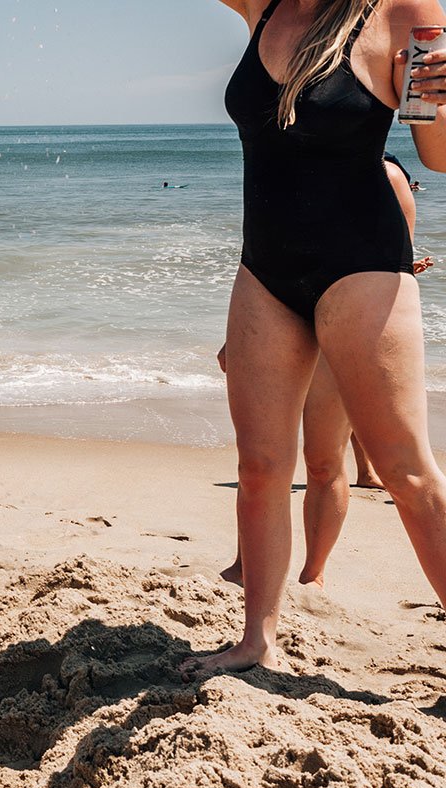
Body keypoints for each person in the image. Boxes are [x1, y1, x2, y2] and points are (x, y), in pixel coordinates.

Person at [184, 0, 446, 677]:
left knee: (406, 471)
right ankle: (255, 641)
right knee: (261, 468)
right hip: (264, 270)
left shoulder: (403, 11)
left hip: (360, 268)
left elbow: (436, 154)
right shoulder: (260, 6)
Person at [217, 155, 432, 587]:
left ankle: (312, 577)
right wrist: (237, 338)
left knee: (322, 460)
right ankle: (245, 568)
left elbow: (396, 268)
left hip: (348, 324)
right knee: (261, 462)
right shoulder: (296, 165)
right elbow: (273, 255)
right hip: (287, 318)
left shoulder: (388, 175)